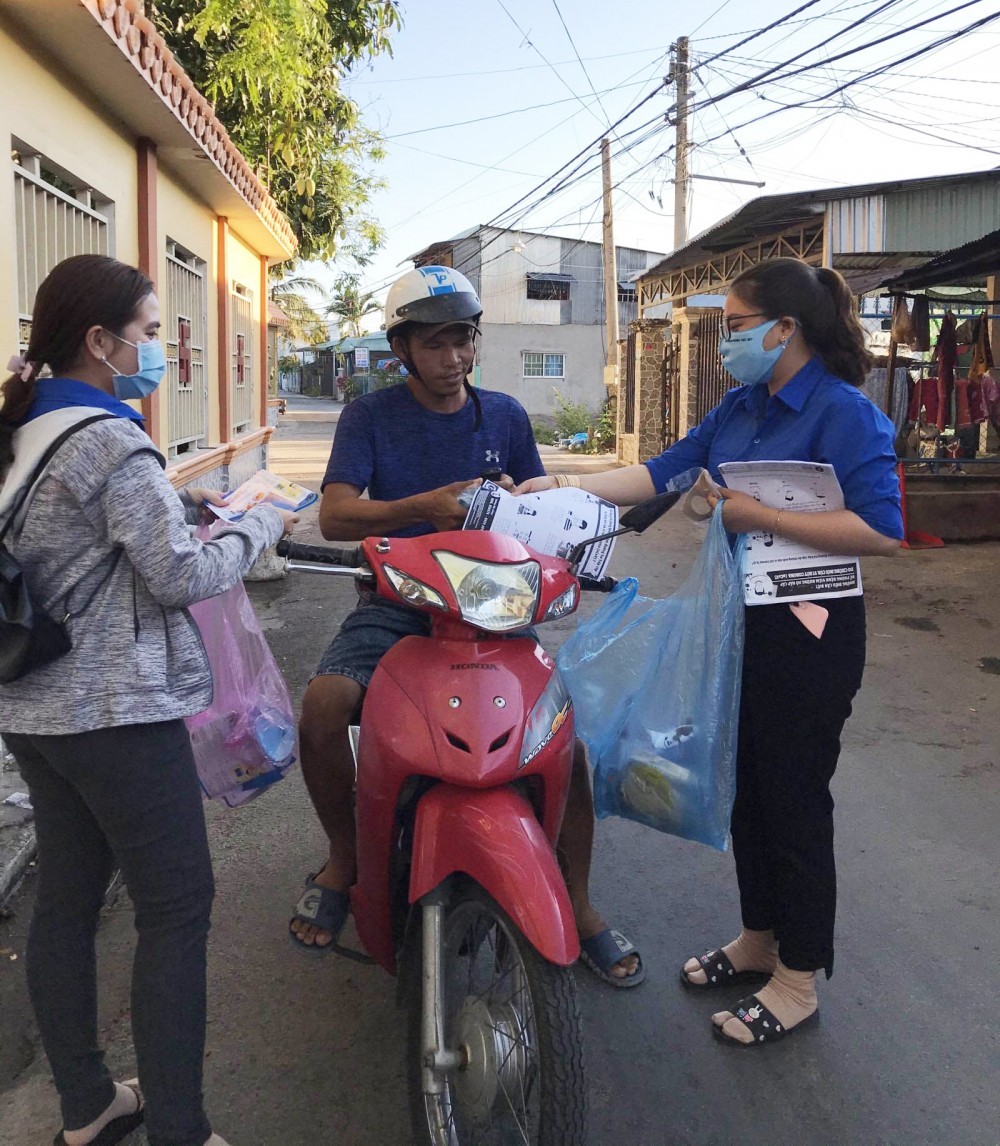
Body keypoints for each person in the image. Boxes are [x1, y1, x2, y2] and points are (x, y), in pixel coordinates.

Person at [515, 257, 902, 1044]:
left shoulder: (842, 412)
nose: (728, 341)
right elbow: (658, 472)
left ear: (784, 329)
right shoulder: (739, 407)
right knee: (746, 787)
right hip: (746, 623)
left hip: (813, 634)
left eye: (734, 326)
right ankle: (760, 936)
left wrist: (753, 512)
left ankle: (798, 978)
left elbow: (881, 529)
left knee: (793, 799)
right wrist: (556, 491)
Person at [0, 254, 298, 1145]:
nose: (157, 351)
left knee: (66, 904)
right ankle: (180, 1126)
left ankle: (88, 1106)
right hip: (116, 714)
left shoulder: (24, 428)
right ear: (99, 341)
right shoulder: (108, 433)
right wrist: (261, 518)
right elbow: (178, 575)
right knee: (176, 906)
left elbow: (80, 536)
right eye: (146, 333)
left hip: (33, 712)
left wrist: (177, 495)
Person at [288, 265, 644, 986]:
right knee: (326, 704)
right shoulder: (371, 418)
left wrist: (535, 508)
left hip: (496, 610)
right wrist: (423, 505)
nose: (453, 358)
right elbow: (335, 515)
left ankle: (577, 901)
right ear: (403, 350)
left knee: (562, 742)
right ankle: (345, 859)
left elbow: (538, 507)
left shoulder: (507, 417)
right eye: (436, 344)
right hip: (396, 605)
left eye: (464, 340)